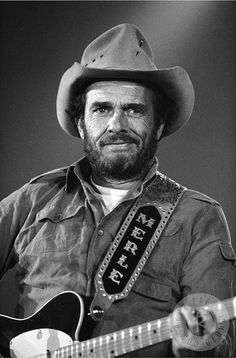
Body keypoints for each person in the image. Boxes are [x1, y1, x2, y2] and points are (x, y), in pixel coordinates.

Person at [0, 23, 235, 357]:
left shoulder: (199, 217)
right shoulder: (34, 198)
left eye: (134, 109)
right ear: (81, 121)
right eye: (102, 108)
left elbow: (220, 343)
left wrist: (195, 345)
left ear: (160, 123)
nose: (117, 125)